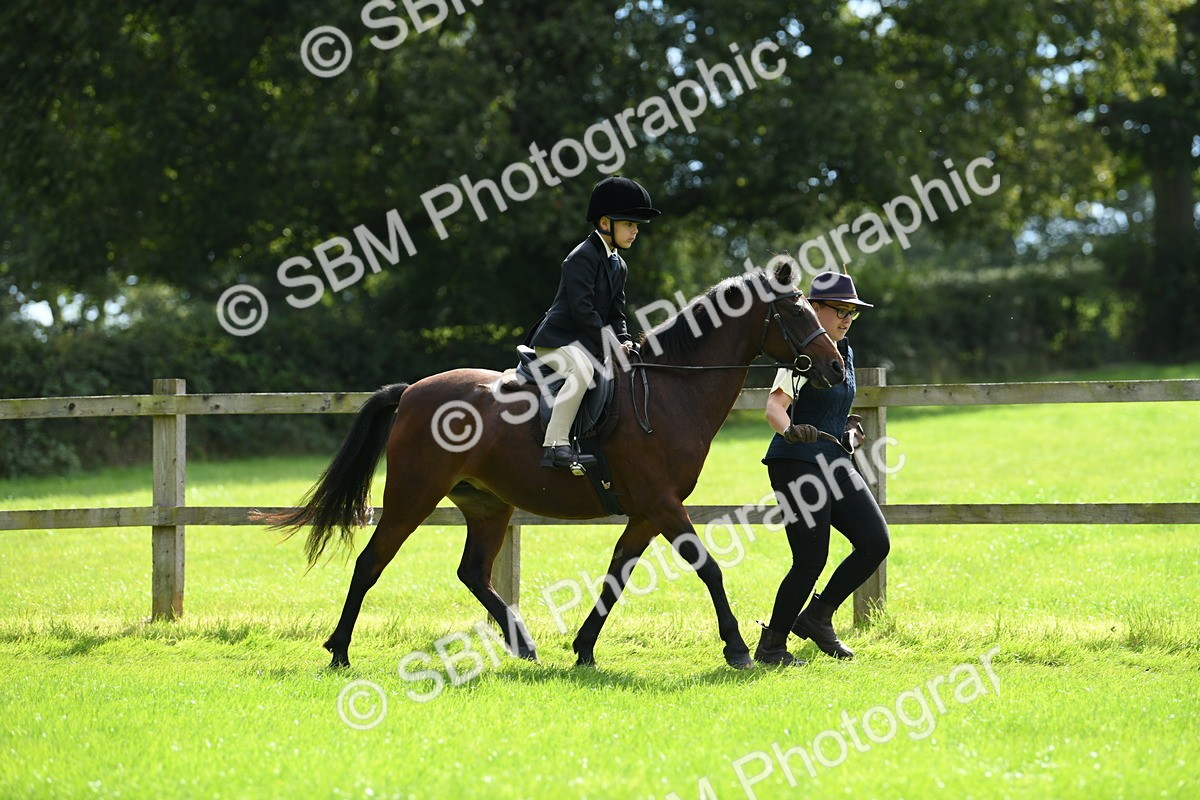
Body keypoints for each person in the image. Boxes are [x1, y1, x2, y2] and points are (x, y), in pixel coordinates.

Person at [753, 271, 890, 666]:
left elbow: (835, 407)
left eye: (853, 313)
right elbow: (773, 409)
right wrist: (792, 431)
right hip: (795, 462)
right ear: (815, 310)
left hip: (836, 461)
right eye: (840, 310)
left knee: (874, 542)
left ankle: (817, 616)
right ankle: (772, 646)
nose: (847, 318)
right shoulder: (799, 354)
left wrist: (846, 427)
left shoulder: (844, 352)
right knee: (811, 560)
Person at [525, 176, 661, 470]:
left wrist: (624, 338)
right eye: (628, 224)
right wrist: (609, 342)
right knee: (583, 370)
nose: (635, 231)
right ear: (604, 223)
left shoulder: (618, 264)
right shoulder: (581, 258)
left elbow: (616, 312)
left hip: (587, 342)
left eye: (637, 225)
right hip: (556, 342)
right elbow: (583, 311)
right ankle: (556, 444)